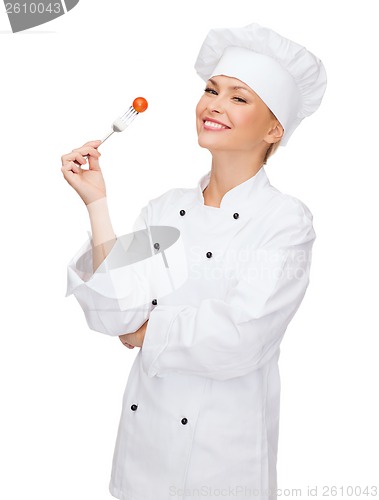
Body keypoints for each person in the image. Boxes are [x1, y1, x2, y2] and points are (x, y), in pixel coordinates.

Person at [61, 22, 327, 500]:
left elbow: (240, 337)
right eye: (210, 90)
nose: (214, 105)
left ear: (274, 129)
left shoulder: (285, 221)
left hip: (224, 464)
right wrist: (97, 204)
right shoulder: (164, 210)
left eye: (238, 97)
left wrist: (148, 332)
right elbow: (115, 312)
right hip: (143, 456)